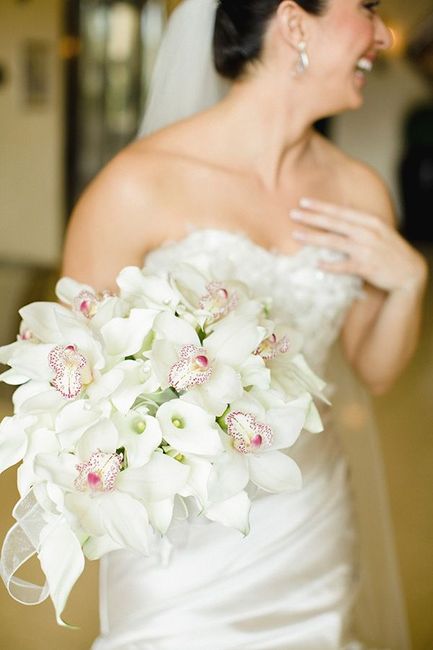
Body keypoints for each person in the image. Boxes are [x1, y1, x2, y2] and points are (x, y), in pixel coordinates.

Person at [62, 1, 427, 648]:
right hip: (178, 532)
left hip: (307, 510)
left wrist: (408, 284)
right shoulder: (137, 186)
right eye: (365, 8)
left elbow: (372, 370)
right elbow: (73, 389)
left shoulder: (358, 190)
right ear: (293, 23)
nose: (380, 33)